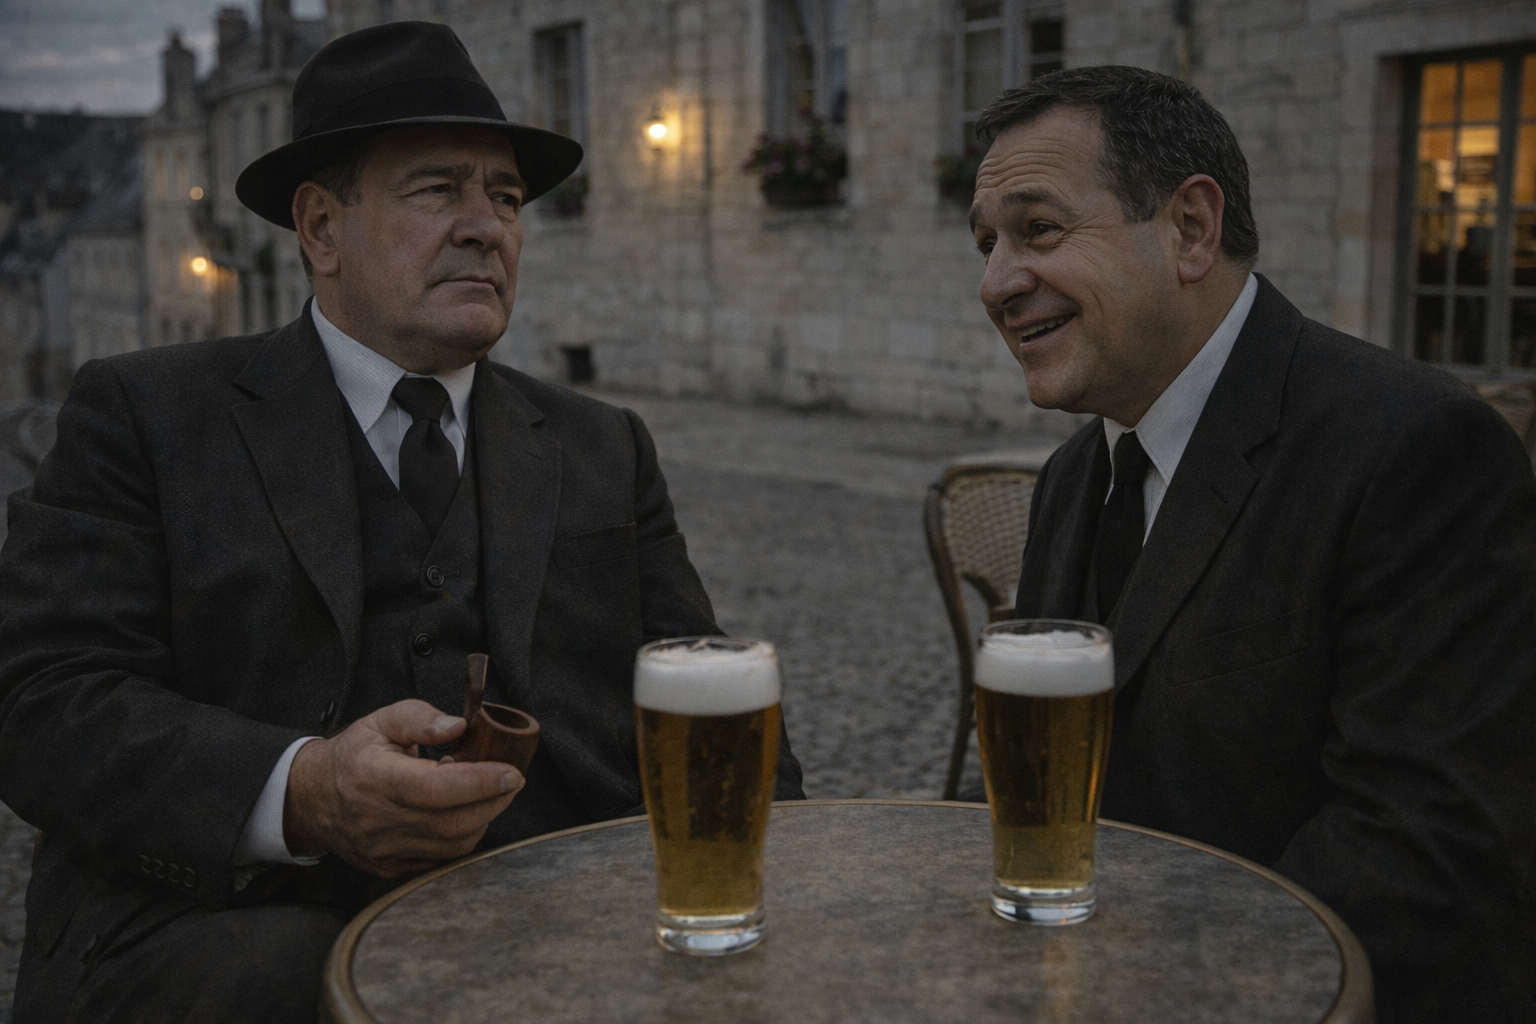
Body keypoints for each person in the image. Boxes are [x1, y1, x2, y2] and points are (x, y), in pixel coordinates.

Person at [0, 22, 802, 1023]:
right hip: (233, 923)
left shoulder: (603, 444)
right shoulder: (146, 415)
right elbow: (42, 700)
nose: (486, 227)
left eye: (505, 197)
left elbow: (711, 695)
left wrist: (796, 879)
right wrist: (303, 789)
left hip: (562, 916)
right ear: (321, 228)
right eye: (437, 189)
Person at [969, 66, 1536, 1023]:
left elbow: (1426, 850)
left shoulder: (1416, 447)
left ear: (1191, 229)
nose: (996, 284)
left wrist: (1145, 987)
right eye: (987, 244)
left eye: (1040, 230)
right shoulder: (1076, 474)